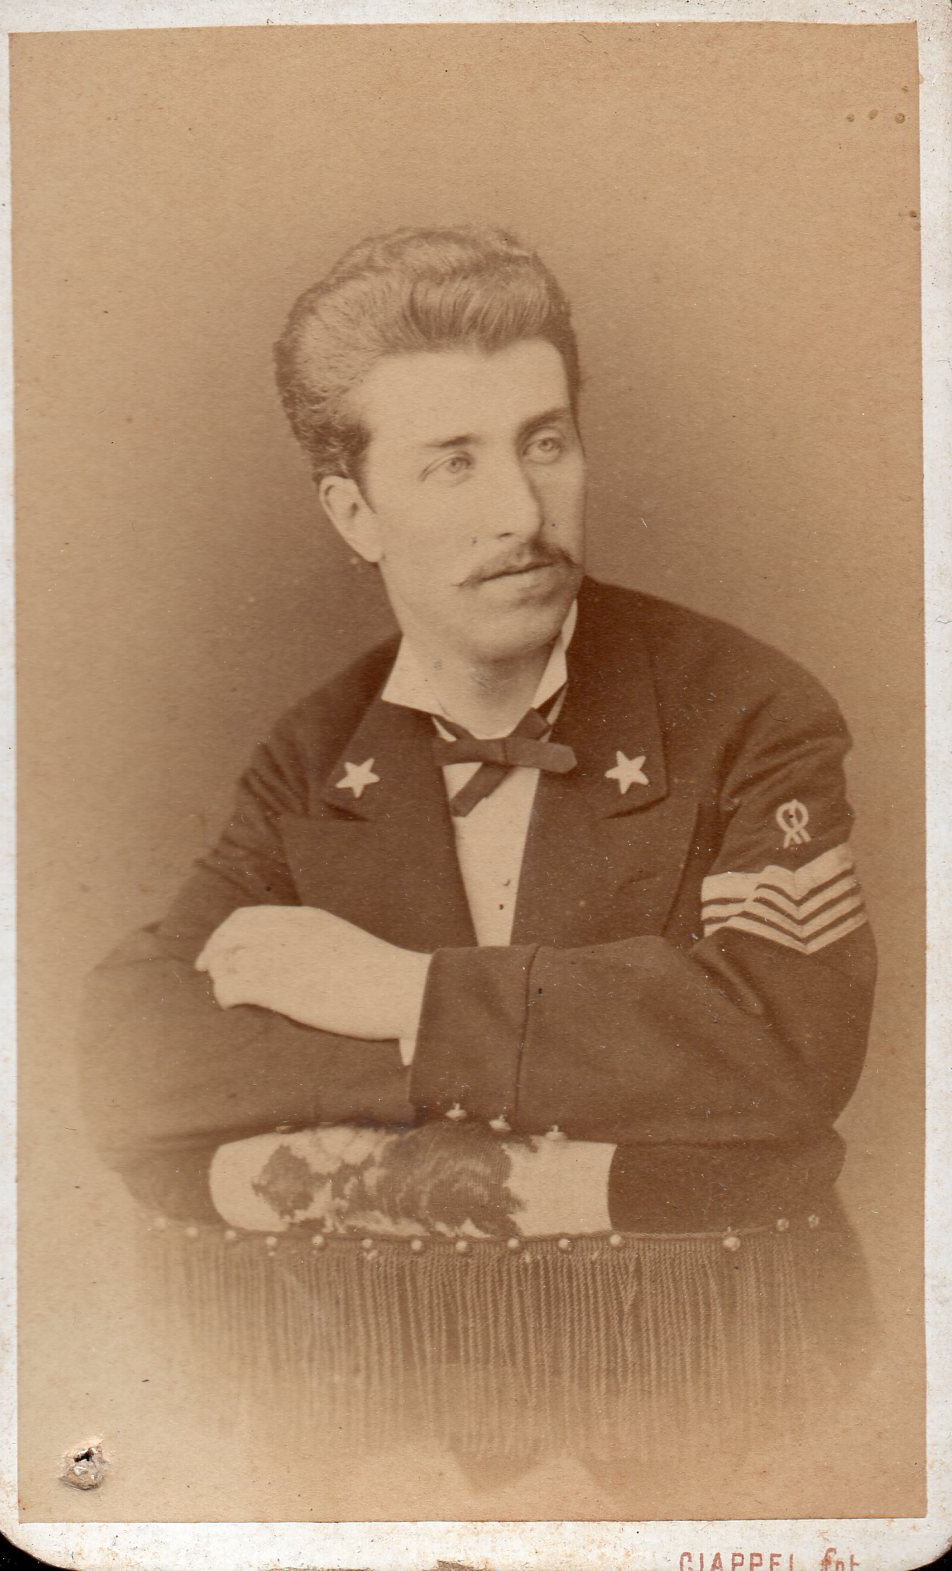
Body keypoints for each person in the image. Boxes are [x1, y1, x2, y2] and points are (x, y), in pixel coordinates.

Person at [79, 226, 877, 1485]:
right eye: (453, 461)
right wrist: (592, 1081)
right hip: (393, 1421)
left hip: (714, 1401)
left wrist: (405, 996)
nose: (520, 510)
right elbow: (130, 1060)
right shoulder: (316, 753)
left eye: (544, 442)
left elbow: (784, 1047)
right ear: (355, 512)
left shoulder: (748, 709)